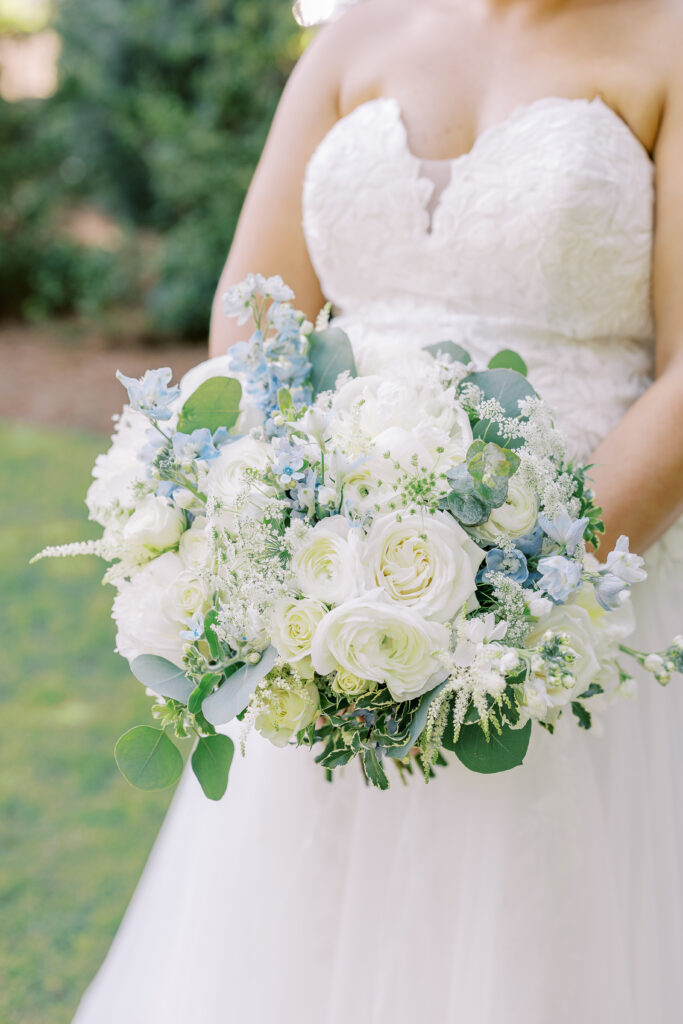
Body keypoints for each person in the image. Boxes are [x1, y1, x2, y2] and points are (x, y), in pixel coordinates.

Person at [73, 0, 683, 1020]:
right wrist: (285, 531)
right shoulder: (354, 36)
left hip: (572, 610)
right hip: (329, 602)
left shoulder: (663, 38)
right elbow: (255, 308)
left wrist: (517, 597)